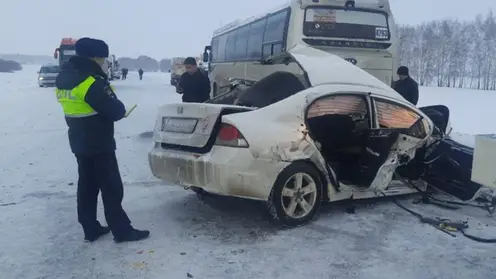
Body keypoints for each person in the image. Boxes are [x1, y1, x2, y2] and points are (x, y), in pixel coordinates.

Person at [55, 37, 150, 243]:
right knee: (111, 186)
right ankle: (122, 231)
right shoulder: (91, 81)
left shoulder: (64, 77)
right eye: (103, 57)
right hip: (99, 141)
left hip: (78, 139)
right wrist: (118, 106)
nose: (104, 61)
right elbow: (115, 111)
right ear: (96, 57)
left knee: (87, 185)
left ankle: (90, 228)